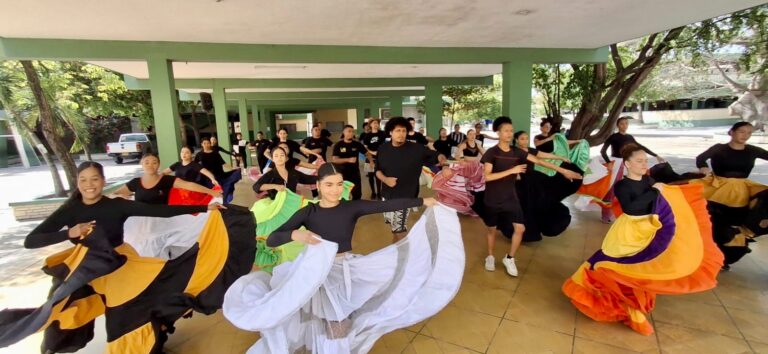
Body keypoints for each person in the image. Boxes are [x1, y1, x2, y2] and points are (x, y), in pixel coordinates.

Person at [0, 161, 258, 353]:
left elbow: (159, 212)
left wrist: (205, 207)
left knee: (133, 310)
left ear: (103, 181)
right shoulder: (71, 209)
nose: (89, 185)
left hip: (119, 266)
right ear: (77, 182)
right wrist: (70, 233)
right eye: (83, 180)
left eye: (94, 179)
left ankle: (151, 339)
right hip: (84, 267)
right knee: (58, 310)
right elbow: (30, 240)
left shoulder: (116, 205)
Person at [223, 163, 463, 354]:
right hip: (314, 273)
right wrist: (296, 234)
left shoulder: (351, 207)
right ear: (318, 185)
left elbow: (388, 204)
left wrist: (424, 201)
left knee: (341, 321)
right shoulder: (309, 211)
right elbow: (274, 238)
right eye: (328, 185)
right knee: (315, 318)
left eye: (338, 184)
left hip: (344, 269)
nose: (335, 190)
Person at [563, 144, 722, 335]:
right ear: (628, 164)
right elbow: (630, 208)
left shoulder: (648, 180)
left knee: (640, 269)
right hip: (628, 232)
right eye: (639, 161)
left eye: (645, 161)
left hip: (647, 230)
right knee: (616, 265)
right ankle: (623, 307)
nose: (644, 164)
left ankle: (630, 308)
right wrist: (654, 191)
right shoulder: (623, 185)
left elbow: (668, 189)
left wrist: (691, 180)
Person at [480, 117, 581, 276]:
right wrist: (511, 172)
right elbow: (486, 177)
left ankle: (510, 258)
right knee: (491, 231)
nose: (509, 133)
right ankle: (490, 256)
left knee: (520, 228)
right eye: (506, 130)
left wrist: (563, 170)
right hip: (494, 197)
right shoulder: (491, 153)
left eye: (511, 131)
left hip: (511, 197)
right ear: (498, 133)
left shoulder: (517, 152)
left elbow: (539, 161)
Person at [693, 121, 768, 268]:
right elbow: (701, 158)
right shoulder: (719, 148)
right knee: (713, 222)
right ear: (732, 132)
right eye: (742, 131)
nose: (745, 135)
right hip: (718, 189)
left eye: (749, 133)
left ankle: (723, 258)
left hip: (740, 192)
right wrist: (703, 168)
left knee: (735, 225)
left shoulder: (753, 150)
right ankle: (706, 255)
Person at [377, 117, 446, 242]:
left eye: (404, 131)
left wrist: (442, 159)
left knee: (400, 231)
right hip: (387, 195)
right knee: (395, 228)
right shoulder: (383, 149)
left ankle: (405, 258)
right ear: (390, 132)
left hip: (405, 197)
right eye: (398, 131)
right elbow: (378, 170)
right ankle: (396, 253)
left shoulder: (416, 149)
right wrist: (385, 180)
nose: (401, 134)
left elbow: (435, 155)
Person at [513, 131, 584, 242]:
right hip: (521, 182)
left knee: (542, 201)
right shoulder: (514, 151)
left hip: (533, 180)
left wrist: (560, 158)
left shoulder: (530, 150)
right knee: (526, 207)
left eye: (526, 138)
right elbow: (537, 162)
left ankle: (544, 226)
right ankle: (528, 233)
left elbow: (543, 155)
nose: (525, 141)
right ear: (516, 140)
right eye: (522, 139)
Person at [597, 117, 666, 223]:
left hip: (629, 164)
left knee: (631, 188)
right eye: (622, 124)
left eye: (626, 123)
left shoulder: (629, 137)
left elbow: (640, 147)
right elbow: (603, 151)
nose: (624, 126)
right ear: (618, 125)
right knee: (611, 190)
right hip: (616, 165)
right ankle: (606, 215)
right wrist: (609, 162)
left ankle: (626, 212)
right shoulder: (614, 137)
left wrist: (656, 155)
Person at [115, 153, 221, 204]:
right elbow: (115, 194)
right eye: (146, 162)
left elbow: (189, 185)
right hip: (142, 223)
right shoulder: (135, 182)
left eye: (154, 162)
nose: (150, 165)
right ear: (141, 164)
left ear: (158, 165)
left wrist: (211, 191)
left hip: (164, 220)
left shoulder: (166, 180)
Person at [254, 146, 318, 200]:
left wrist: (325, 177)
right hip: (276, 205)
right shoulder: (270, 174)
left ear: (285, 158)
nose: (279, 158)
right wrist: (275, 186)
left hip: (291, 202)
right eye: (276, 156)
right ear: (272, 159)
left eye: (282, 155)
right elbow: (256, 186)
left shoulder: (293, 172)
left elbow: (308, 179)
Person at [195, 137, 242, 203]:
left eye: (208, 143)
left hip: (218, 175)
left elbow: (223, 163)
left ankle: (225, 200)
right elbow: (195, 166)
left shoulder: (215, 153)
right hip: (206, 177)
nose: (206, 145)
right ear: (202, 144)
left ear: (210, 144)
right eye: (204, 143)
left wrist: (233, 168)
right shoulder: (199, 155)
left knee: (221, 189)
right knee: (209, 193)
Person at [332, 125, 367, 200]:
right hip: (342, 173)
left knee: (357, 194)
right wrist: (348, 160)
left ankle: (355, 209)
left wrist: (371, 162)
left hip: (355, 173)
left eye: (352, 131)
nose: (351, 133)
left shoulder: (357, 144)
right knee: (343, 195)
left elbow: (367, 153)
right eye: (349, 131)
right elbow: (334, 160)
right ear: (343, 132)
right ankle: (345, 209)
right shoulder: (338, 145)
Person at [362, 118, 388, 199]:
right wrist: (373, 152)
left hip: (381, 158)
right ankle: (373, 192)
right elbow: (365, 148)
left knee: (379, 176)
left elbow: (386, 144)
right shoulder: (367, 136)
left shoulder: (382, 134)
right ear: (370, 125)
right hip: (369, 158)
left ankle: (379, 193)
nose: (376, 124)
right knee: (370, 176)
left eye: (377, 123)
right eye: (374, 123)